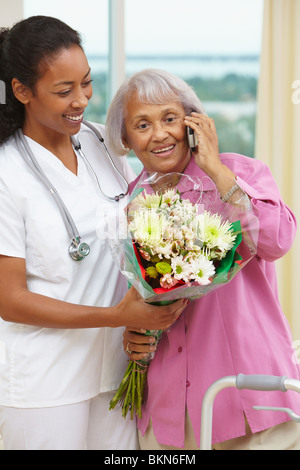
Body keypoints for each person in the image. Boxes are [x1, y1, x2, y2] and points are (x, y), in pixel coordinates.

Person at [0, 19, 186, 451]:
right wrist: (120, 316)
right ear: (22, 91)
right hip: (46, 381)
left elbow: (143, 227)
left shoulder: (102, 142)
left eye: (86, 83)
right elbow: (9, 301)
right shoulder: (7, 173)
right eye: (64, 91)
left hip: (116, 369)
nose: (82, 100)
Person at [105, 68, 300, 450]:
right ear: (126, 138)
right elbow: (137, 293)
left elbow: (278, 241)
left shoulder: (239, 172)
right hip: (168, 412)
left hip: (249, 401)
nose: (159, 134)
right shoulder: (131, 202)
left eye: (170, 119)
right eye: (142, 124)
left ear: (194, 123)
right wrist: (133, 333)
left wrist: (217, 171)